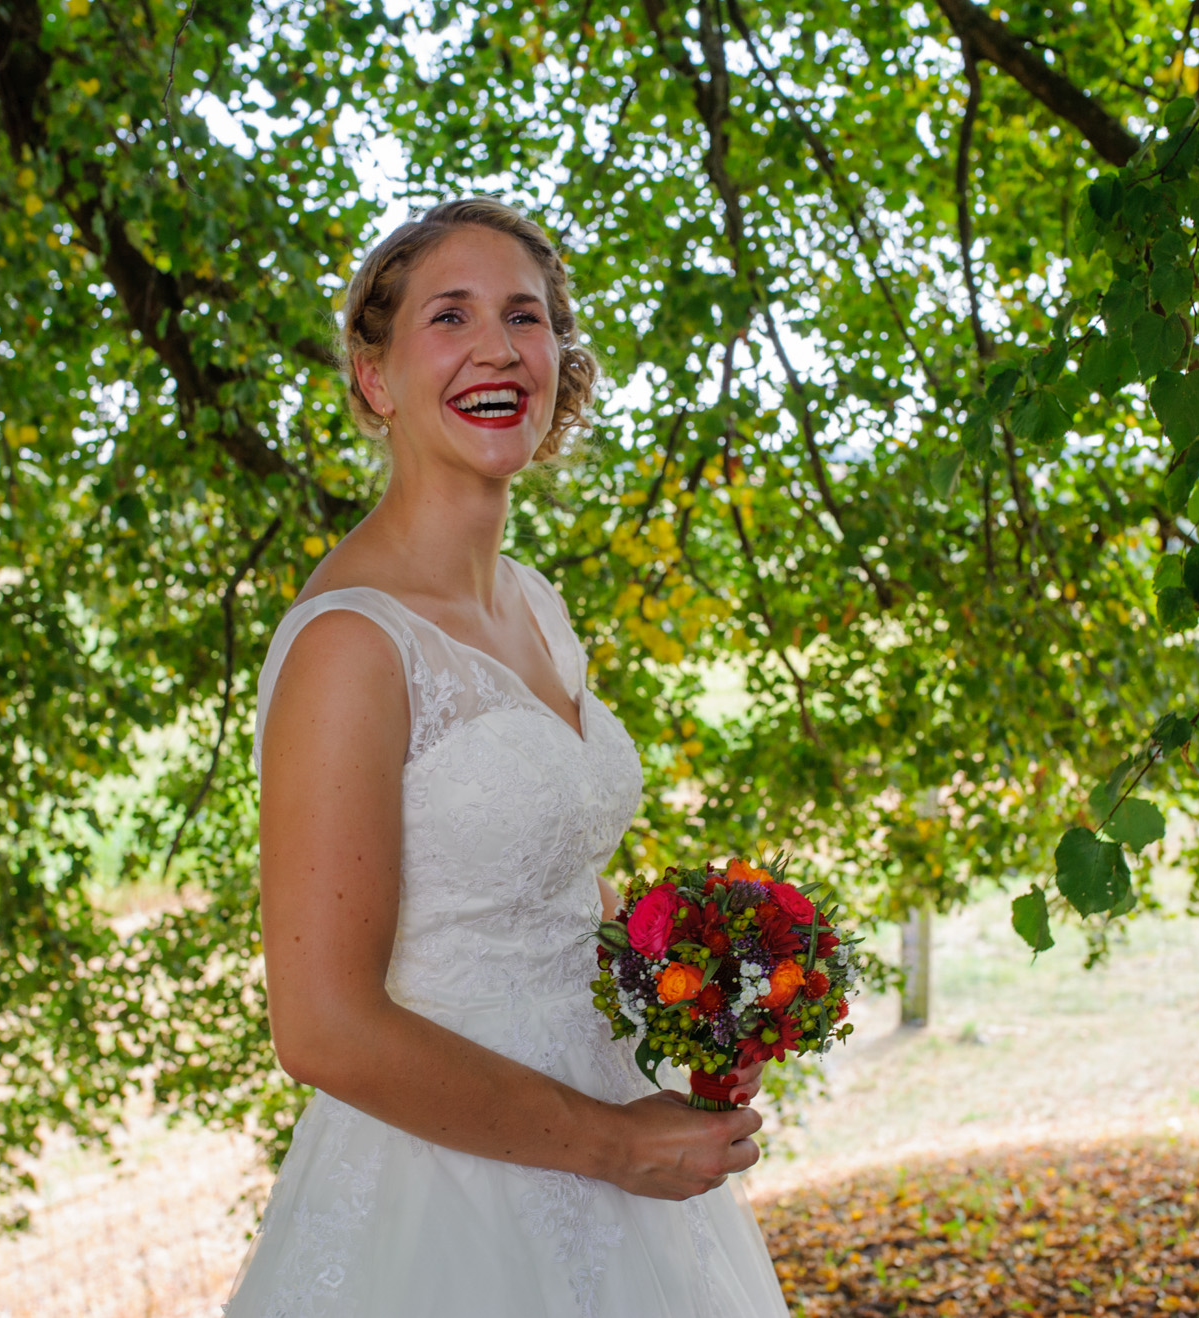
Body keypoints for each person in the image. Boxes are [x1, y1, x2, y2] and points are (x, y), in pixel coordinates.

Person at [224, 197, 790, 1317]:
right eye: (450, 316)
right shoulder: (353, 644)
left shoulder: (532, 602)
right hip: (445, 1194)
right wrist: (613, 1147)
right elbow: (323, 1027)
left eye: (524, 318)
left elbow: (550, 881)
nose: (497, 348)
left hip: (615, 1131)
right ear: (374, 376)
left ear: (557, 364)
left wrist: (694, 1001)